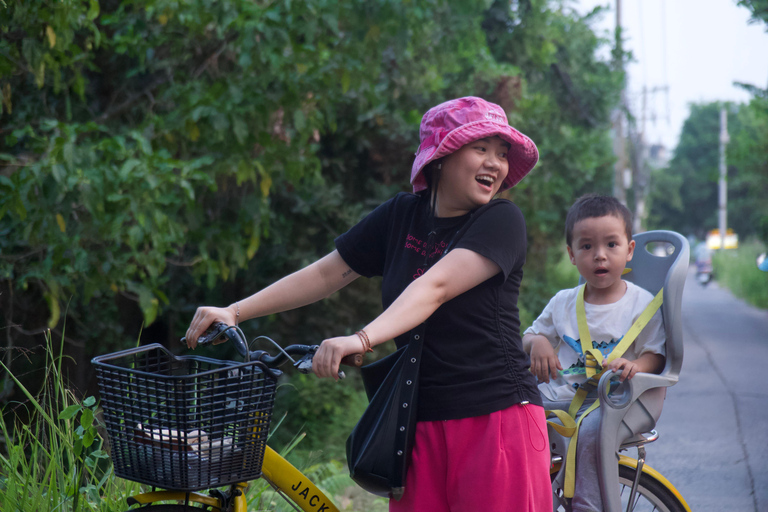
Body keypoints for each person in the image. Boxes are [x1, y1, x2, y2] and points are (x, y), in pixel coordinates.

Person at [185, 96, 552, 511]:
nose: (495, 164)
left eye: (502, 154)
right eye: (480, 149)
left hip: (495, 418)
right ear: (441, 156)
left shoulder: (501, 221)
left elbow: (434, 288)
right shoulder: (401, 216)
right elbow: (326, 274)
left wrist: (361, 338)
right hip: (418, 422)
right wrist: (235, 311)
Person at [522, 194, 666, 512]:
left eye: (611, 245)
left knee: (592, 433)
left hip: (618, 402)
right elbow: (530, 335)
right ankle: (533, 497)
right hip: (559, 398)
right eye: (587, 247)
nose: (600, 256)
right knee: (515, 417)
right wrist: (537, 343)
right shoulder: (562, 302)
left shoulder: (642, 305)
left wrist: (634, 364)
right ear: (572, 255)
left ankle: (588, 506)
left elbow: (656, 355)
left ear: (629, 250)